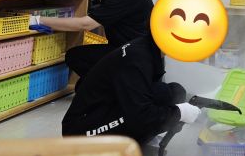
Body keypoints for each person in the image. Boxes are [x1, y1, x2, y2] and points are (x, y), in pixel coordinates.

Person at [61, 34, 200, 143]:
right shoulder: (137, 59)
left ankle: (137, 139)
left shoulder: (148, 47)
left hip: (104, 107)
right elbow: (140, 116)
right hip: (79, 133)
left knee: (173, 92)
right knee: (144, 117)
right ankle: (131, 143)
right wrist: (179, 113)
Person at [32, 0, 153, 81]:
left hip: (134, 56)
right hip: (128, 48)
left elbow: (85, 24)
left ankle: (114, 88)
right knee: (83, 83)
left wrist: (38, 20)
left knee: (76, 58)